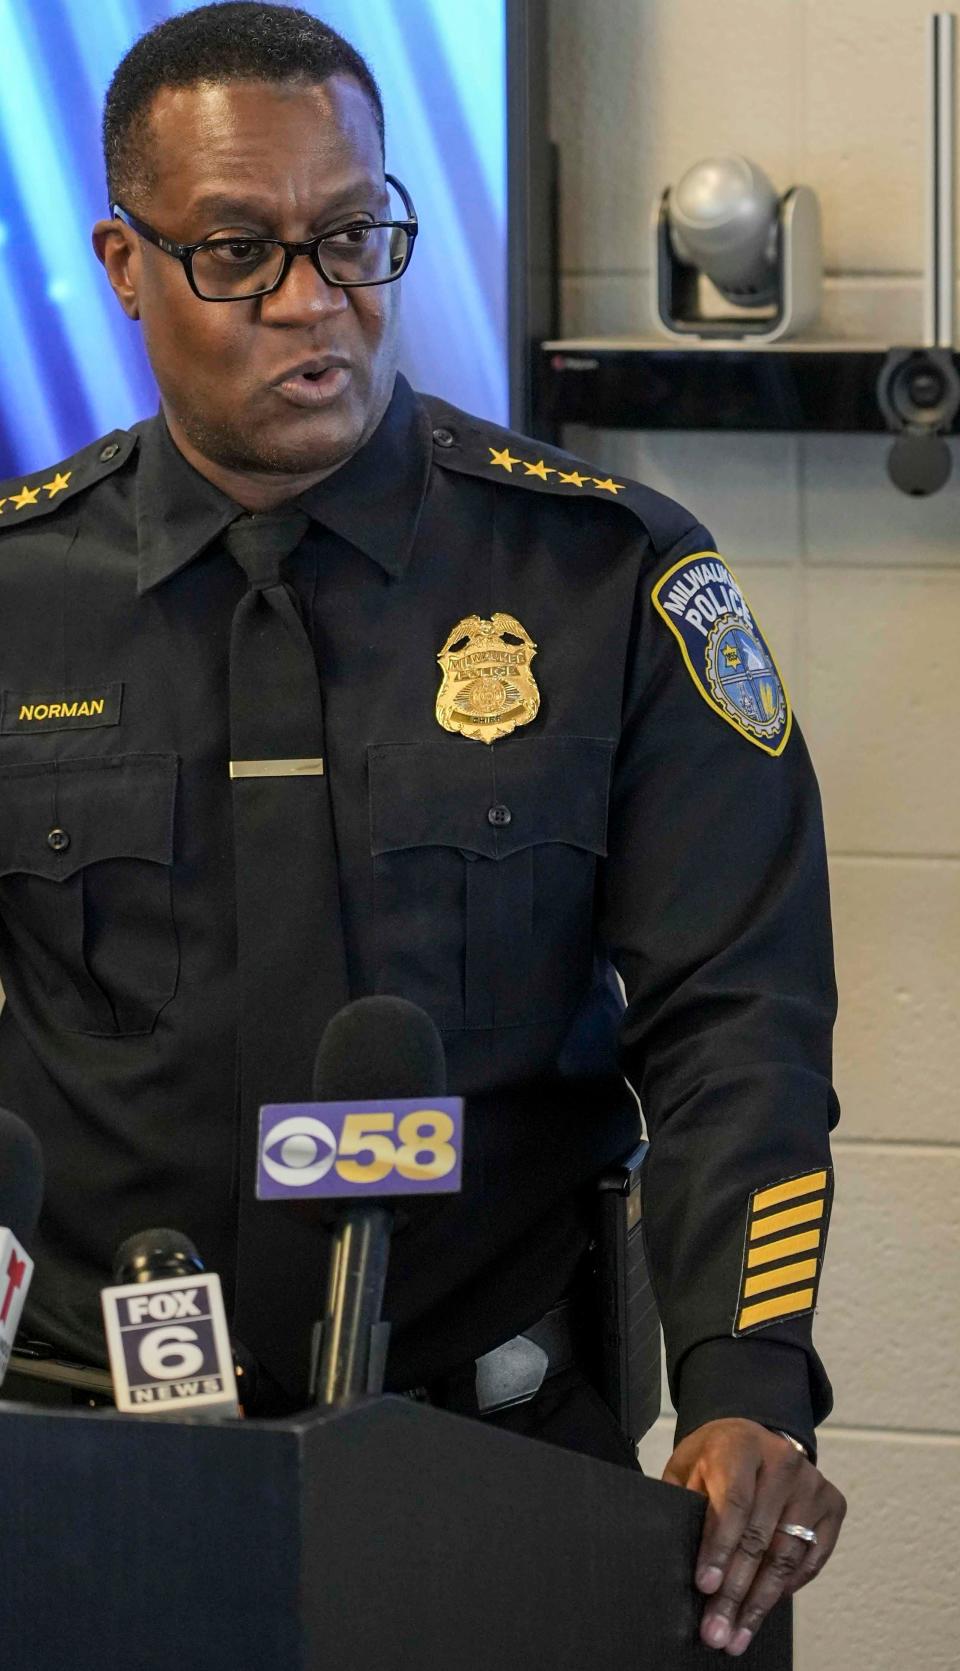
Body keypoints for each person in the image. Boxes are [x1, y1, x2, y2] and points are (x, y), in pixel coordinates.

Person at [0, 2, 845, 1654]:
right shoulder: (18, 601)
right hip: (84, 1466)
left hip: (495, 1456)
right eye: (238, 251)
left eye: (353, 236)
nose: (315, 302)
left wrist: (751, 1386)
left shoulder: (607, 580)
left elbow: (737, 1021)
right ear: (122, 260)